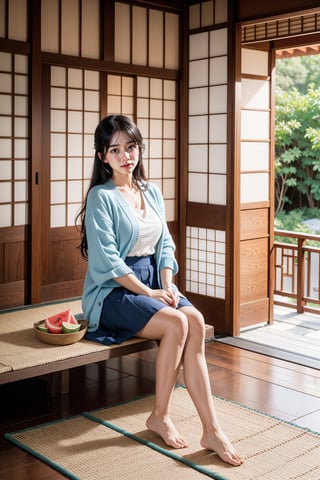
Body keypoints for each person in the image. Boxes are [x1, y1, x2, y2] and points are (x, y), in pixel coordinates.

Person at [77, 114, 243, 466]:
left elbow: (165, 245)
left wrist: (165, 284)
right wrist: (148, 293)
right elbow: (108, 261)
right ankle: (160, 417)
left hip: (154, 280)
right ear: (102, 156)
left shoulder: (151, 191)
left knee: (195, 320)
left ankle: (211, 429)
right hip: (113, 291)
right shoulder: (100, 197)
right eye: (116, 149)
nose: (126, 156)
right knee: (176, 324)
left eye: (131, 147)